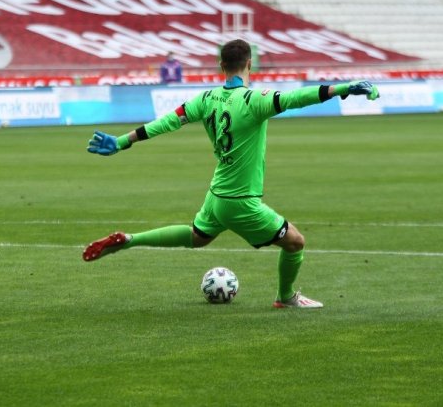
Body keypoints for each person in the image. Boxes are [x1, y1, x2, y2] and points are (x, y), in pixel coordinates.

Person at [82, 39, 380, 309]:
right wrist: (342, 88)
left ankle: (131, 239)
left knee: (197, 237)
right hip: (240, 199)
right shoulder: (254, 101)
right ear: (250, 64)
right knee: (295, 242)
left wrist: (122, 141)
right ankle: (286, 297)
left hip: (217, 194)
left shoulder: (205, 98)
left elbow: (166, 123)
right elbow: (297, 98)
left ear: (220, 65)